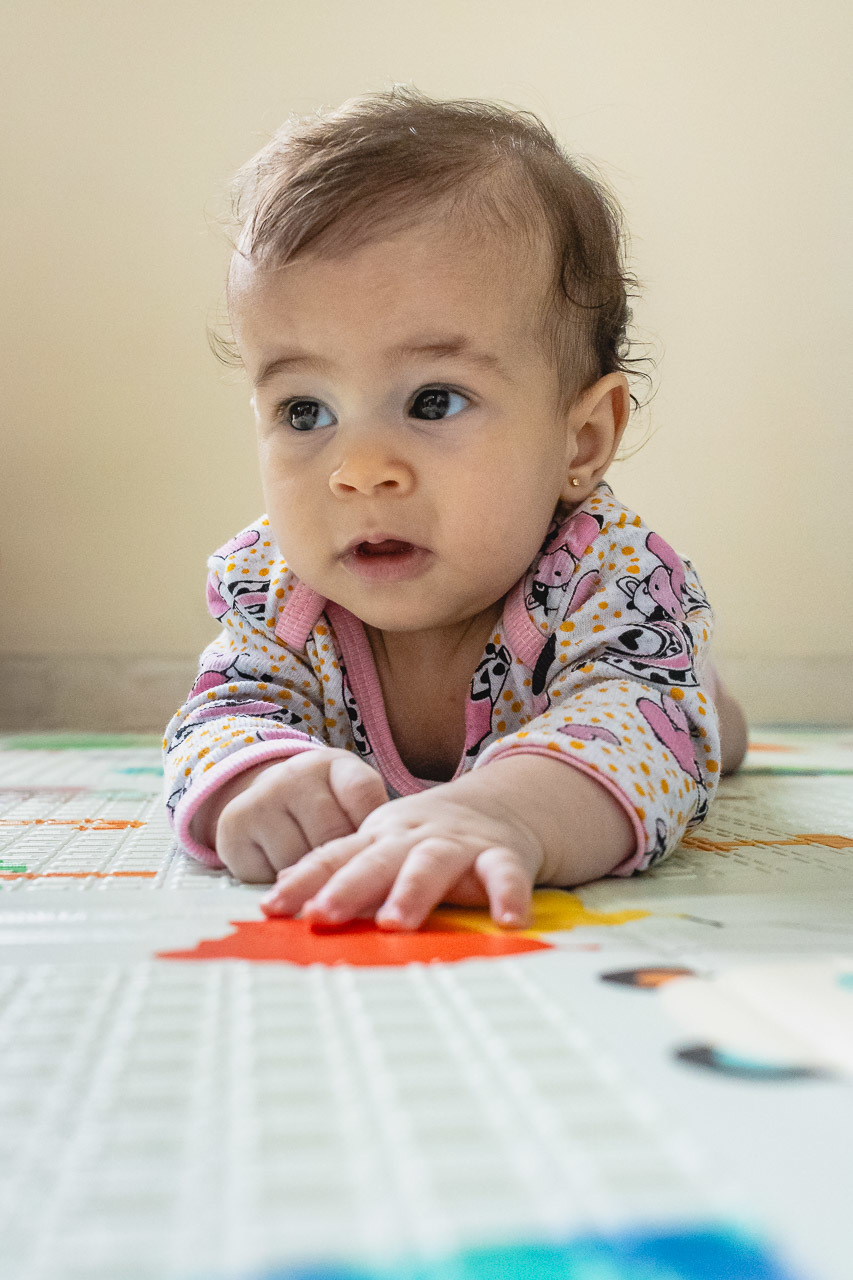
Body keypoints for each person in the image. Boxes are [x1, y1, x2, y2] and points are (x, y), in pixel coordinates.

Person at [163, 86, 747, 932]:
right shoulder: (277, 589)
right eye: (305, 412)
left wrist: (503, 814)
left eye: (434, 401)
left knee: (694, 727)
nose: (359, 472)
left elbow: (637, 736)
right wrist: (255, 778)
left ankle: (716, 701)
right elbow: (221, 714)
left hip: (619, 676)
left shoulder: (606, 577)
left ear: (579, 443)